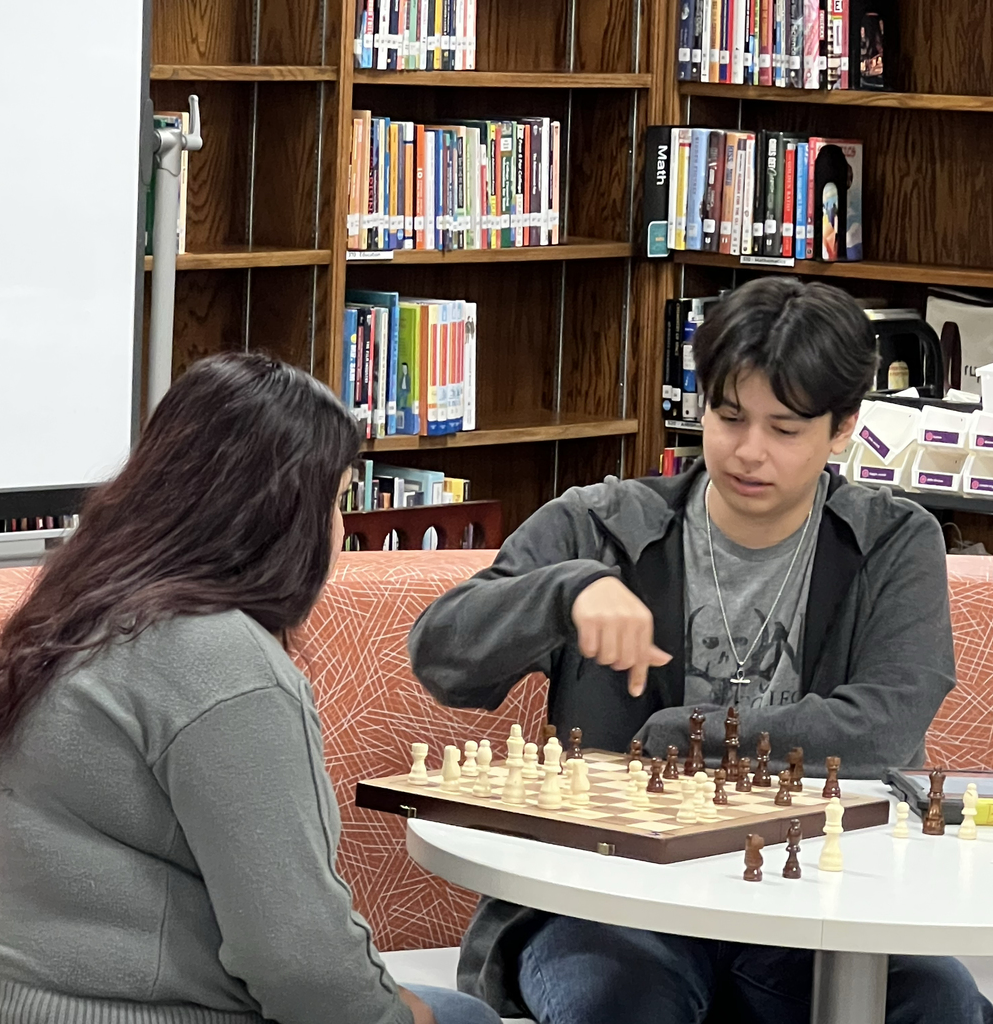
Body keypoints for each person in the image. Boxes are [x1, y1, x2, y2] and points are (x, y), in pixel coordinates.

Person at [408, 278, 992, 1024]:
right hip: (614, 902)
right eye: (728, 417)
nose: (749, 453)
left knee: (940, 1005)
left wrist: (685, 736)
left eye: (785, 429)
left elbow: (883, 728)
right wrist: (562, 595)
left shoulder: (892, 540)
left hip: (815, 901)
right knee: (623, 1003)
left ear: (842, 427)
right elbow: (440, 657)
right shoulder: (600, 525)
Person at [0, 353, 501, 1024]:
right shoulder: (223, 663)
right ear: (281, 514)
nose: (338, 531)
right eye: (335, 502)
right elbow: (299, 959)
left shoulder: (77, 610)